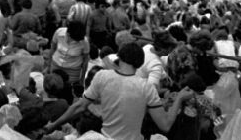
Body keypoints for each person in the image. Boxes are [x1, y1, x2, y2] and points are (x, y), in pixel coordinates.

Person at [43, 42, 192, 140]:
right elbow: (165, 125)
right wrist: (179, 99)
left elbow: (79, 106)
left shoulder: (102, 76)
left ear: (119, 57)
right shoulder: (146, 87)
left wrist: (53, 125)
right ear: (139, 64)